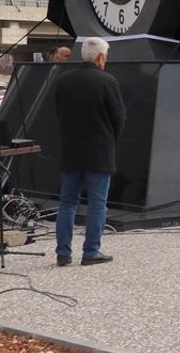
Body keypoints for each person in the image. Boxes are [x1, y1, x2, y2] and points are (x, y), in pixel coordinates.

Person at [53, 37, 125, 266]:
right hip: (99, 151)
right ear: (101, 57)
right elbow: (119, 118)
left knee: (67, 202)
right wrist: (109, 137)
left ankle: (63, 252)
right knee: (97, 203)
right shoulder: (107, 81)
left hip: (70, 150)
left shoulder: (63, 81)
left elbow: (58, 112)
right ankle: (91, 251)